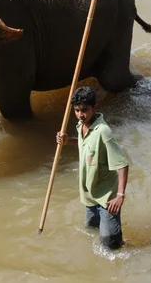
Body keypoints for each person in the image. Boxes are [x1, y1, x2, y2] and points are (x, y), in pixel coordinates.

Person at [56, 86, 129, 249]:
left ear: (95, 108)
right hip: (89, 195)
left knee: (111, 245)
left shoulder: (104, 132)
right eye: (76, 110)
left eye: (84, 110)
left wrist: (120, 195)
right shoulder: (81, 126)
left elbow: (123, 164)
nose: (80, 115)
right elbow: (85, 144)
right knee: (91, 231)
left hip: (107, 199)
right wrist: (68, 141)